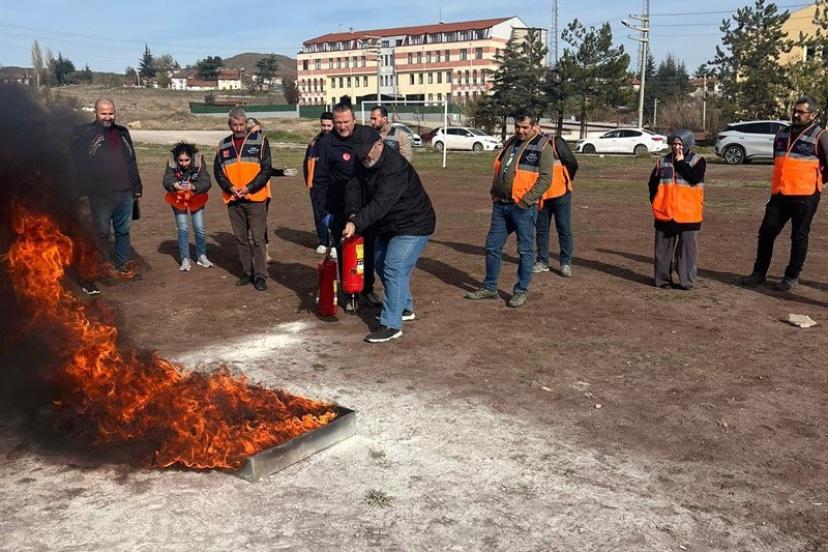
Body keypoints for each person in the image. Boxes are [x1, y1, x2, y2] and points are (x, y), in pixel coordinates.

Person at [344, 126, 435, 343]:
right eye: (359, 151)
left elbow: (380, 204)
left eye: (366, 150)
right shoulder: (362, 160)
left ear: (379, 144)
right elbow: (354, 188)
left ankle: (391, 324)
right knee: (379, 263)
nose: (362, 155)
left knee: (394, 267)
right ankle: (404, 307)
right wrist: (352, 213)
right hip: (387, 225)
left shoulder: (395, 167)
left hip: (413, 224)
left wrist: (356, 223)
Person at [464, 109, 553, 308]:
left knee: (525, 251)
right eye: (517, 127)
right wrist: (494, 192)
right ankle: (490, 287)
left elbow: (546, 179)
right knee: (492, 246)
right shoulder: (510, 142)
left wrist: (525, 201)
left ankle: (520, 291)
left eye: (525, 127)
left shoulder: (543, 146)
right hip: (501, 205)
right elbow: (501, 169)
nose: (520, 131)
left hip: (522, 207)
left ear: (534, 126)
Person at [740, 96, 827, 292]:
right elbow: (779, 161)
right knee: (766, 233)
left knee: (799, 236)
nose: (796, 114)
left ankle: (791, 276)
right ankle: (758, 273)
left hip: (805, 196)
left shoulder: (820, 136)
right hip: (780, 194)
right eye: (795, 111)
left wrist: (817, 180)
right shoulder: (782, 133)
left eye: (801, 112)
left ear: (813, 115)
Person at [313, 98, 381, 308]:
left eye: (346, 121)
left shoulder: (366, 136)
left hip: (365, 205)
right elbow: (320, 180)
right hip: (338, 206)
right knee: (345, 250)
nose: (342, 126)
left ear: (354, 119)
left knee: (368, 248)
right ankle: (349, 292)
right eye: (338, 122)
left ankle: (367, 288)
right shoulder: (325, 143)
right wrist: (323, 211)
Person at [71, 97, 143, 287]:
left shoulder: (122, 132)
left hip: (125, 192)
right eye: (103, 113)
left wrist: (137, 187)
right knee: (101, 233)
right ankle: (103, 268)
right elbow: (78, 164)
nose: (108, 117)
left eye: (111, 113)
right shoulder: (86, 133)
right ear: (95, 113)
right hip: (101, 194)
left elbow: (131, 160)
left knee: (123, 231)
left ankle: (122, 265)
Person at [213, 108, 273, 291]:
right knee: (241, 239)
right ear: (229, 125)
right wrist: (230, 188)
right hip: (233, 199)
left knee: (257, 238)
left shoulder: (260, 141)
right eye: (234, 124)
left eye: (241, 124)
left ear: (246, 123)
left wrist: (249, 188)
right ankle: (247, 271)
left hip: (255, 198)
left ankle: (261, 275)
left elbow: (266, 170)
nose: (238, 128)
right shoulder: (223, 145)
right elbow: (218, 171)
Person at [648, 129, 706, 290]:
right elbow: (652, 184)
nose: (676, 147)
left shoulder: (698, 160)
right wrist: (656, 202)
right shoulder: (662, 161)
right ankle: (662, 280)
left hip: (689, 215)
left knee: (687, 251)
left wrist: (680, 163)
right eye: (674, 143)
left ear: (687, 144)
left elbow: (694, 178)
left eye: (680, 144)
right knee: (663, 251)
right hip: (665, 213)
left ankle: (686, 281)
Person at [533, 124, 578, 277]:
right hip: (540, 195)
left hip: (561, 193)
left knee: (563, 228)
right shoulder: (527, 146)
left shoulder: (554, 141)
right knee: (541, 229)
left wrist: (566, 179)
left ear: (537, 127)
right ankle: (542, 261)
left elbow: (572, 163)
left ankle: (565, 263)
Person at [162, 142, 212, 271]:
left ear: (191, 158)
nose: (184, 163)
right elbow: (167, 179)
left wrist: (193, 186)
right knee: (183, 228)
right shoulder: (171, 163)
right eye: (181, 160)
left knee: (199, 227)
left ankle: (201, 255)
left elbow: (206, 181)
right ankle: (185, 258)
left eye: (187, 160)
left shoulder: (199, 162)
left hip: (196, 198)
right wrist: (174, 184)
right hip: (178, 199)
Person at [303, 111, 334, 253]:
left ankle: (335, 244)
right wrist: (309, 183)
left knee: (334, 214)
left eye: (329, 125)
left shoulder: (338, 142)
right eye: (324, 125)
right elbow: (306, 164)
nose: (326, 128)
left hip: (334, 186)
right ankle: (323, 241)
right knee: (319, 214)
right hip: (316, 186)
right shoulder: (314, 143)